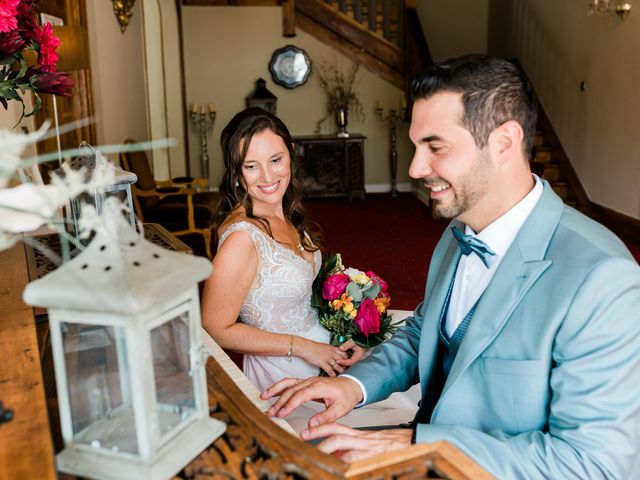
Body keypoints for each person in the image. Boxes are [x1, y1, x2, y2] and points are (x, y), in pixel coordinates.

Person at [262, 54, 640, 478]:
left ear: (504, 142)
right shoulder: (457, 232)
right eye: (416, 145)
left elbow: (594, 464)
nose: (415, 168)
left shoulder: (603, 277)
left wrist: (421, 445)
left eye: (435, 147)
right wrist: (353, 385)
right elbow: (426, 332)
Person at [201, 107, 418, 432]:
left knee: (410, 351)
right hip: (284, 371)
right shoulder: (242, 240)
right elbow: (214, 327)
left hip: (325, 349)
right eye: (251, 166)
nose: (267, 176)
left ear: (291, 156)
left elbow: (306, 297)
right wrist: (305, 347)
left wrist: (349, 332)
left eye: (275, 160)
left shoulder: (284, 212)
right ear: (236, 172)